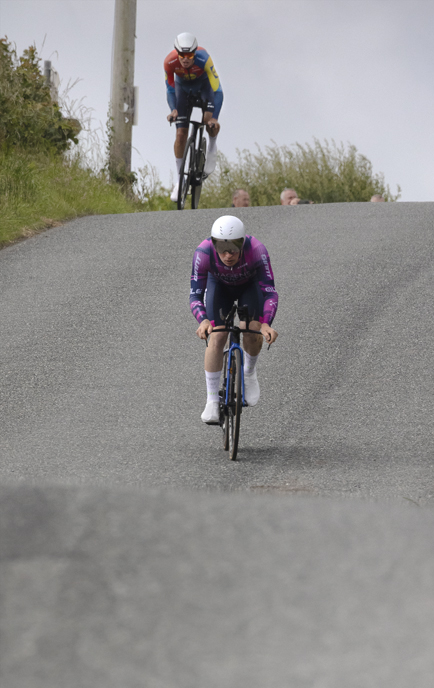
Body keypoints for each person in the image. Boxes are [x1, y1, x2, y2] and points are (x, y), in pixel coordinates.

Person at [191, 215, 278, 425]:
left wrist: (266, 323)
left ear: (243, 243)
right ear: (213, 244)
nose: (228, 255)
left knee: (250, 328)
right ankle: (212, 400)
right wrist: (203, 320)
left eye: (233, 249)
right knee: (218, 334)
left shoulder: (257, 250)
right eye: (221, 249)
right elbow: (195, 294)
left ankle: (248, 372)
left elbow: (269, 292)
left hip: (250, 286)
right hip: (218, 286)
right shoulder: (203, 253)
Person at [165, 33, 223, 202]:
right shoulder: (169, 62)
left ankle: (212, 146)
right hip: (182, 90)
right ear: (177, 53)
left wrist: (215, 118)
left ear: (195, 53)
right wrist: (173, 109)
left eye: (189, 55)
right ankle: (179, 180)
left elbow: (218, 90)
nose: (185, 59)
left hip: (204, 87)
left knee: (208, 121)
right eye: (181, 55)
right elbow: (169, 89)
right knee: (181, 134)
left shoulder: (204, 59)